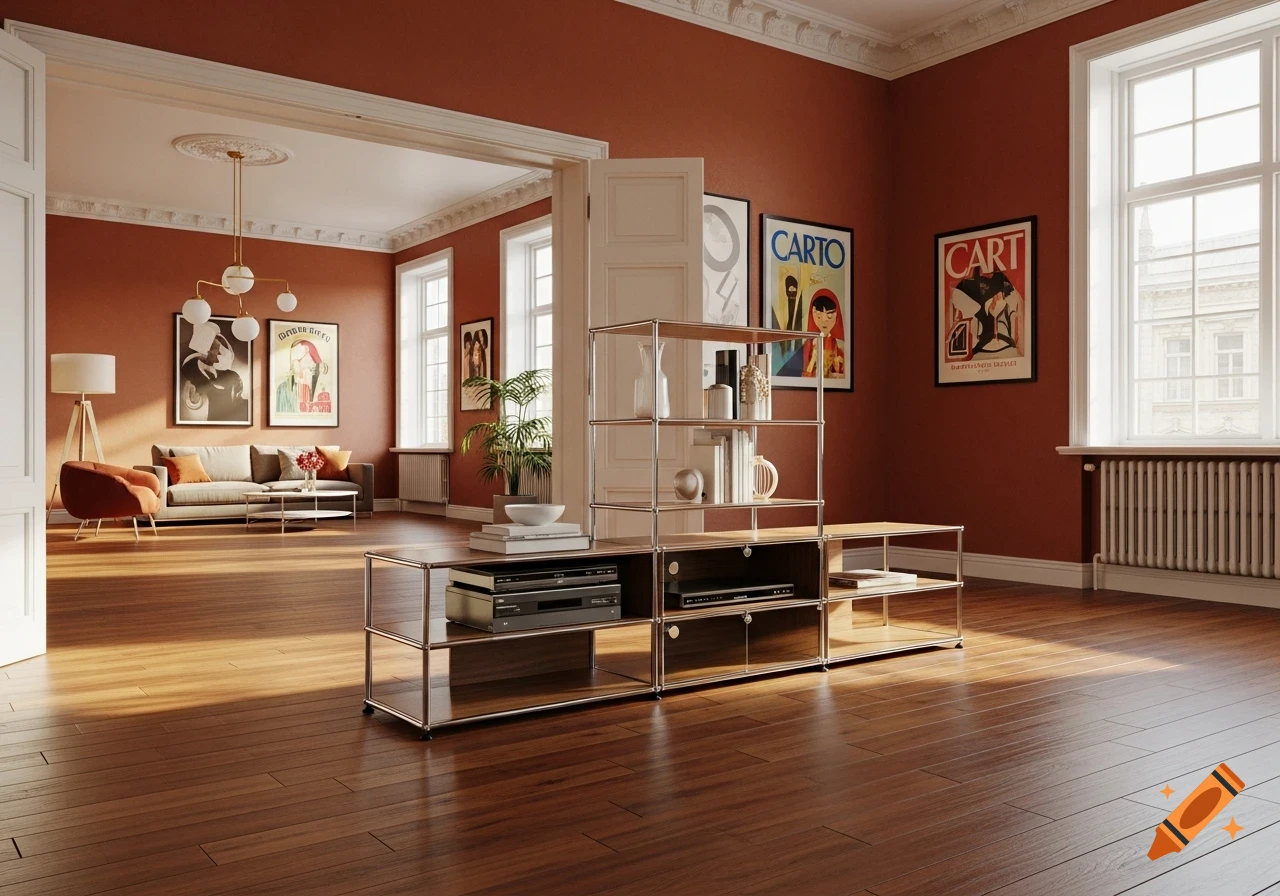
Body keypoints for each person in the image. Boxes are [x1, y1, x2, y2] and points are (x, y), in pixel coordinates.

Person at [181, 325, 247, 422]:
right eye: (215, 349)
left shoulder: (232, 375)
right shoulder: (193, 369)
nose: (218, 353)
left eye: (220, 349)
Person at [275, 338, 330, 415]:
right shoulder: (283, 389)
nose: (295, 367)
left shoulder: (322, 390)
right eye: (293, 362)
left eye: (299, 360)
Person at [802, 289, 846, 380]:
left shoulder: (840, 346)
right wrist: (813, 358)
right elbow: (804, 377)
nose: (824, 320)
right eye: (819, 316)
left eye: (829, 316)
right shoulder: (809, 344)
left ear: (837, 315)